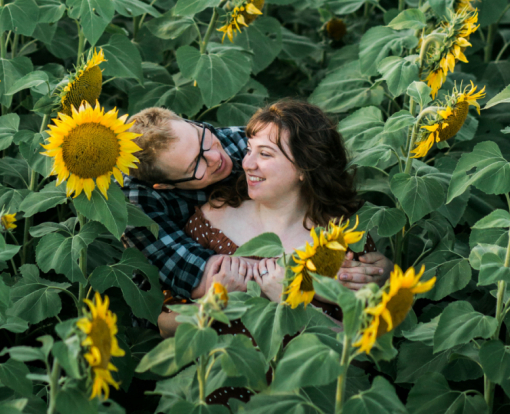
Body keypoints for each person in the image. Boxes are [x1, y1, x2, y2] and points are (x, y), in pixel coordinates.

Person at [124, 100, 392, 307]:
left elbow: (298, 144)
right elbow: (191, 282)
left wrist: (381, 275)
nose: (218, 156)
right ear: (167, 185)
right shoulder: (137, 206)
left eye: (203, 137)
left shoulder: (238, 142)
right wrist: (307, 282)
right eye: (196, 164)